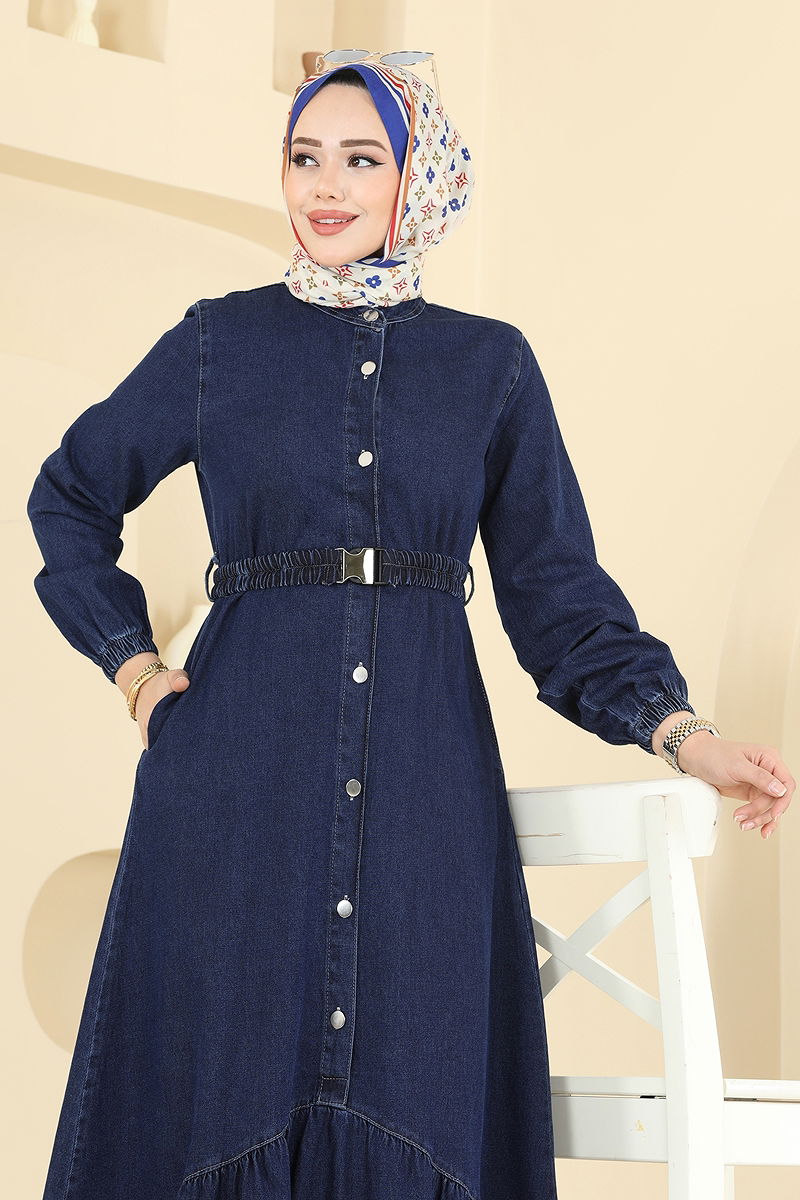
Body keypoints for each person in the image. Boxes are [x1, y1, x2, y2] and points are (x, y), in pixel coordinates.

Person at [26, 53, 795, 1200]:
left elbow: (557, 598)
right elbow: (70, 496)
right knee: (219, 1107)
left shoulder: (488, 367)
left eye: (360, 158)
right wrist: (133, 666)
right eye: (304, 157)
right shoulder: (218, 344)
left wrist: (684, 737)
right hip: (233, 791)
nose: (325, 185)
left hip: (423, 799)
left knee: (412, 1094)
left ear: (415, 180)